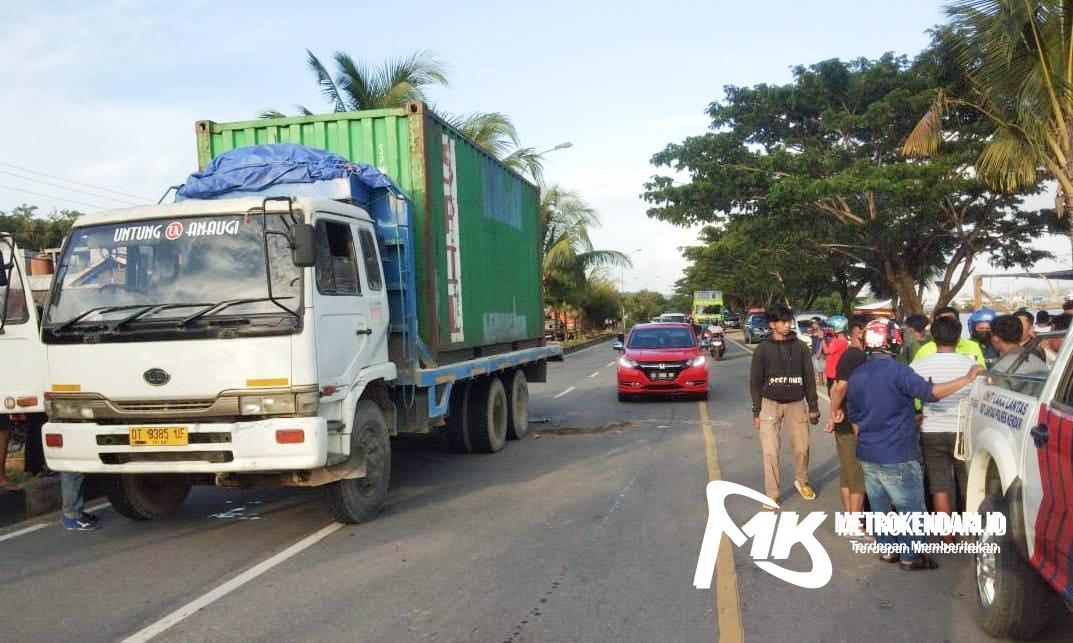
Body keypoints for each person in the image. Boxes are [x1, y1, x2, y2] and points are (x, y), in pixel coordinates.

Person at [847, 319, 983, 570]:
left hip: (868, 452)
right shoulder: (899, 371)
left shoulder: (857, 375)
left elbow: (854, 418)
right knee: (910, 507)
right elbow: (931, 393)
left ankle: (888, 550)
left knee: (879, 506)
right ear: (894, 341)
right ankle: (911, 556)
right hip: (897, 452)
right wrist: (966, 378)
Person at [910, 317, 974, 541]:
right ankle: (970, 530)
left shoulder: (918, 365)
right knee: (969, 481)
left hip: (931, 430)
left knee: (939, 484)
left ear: (933, 338)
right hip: (963, 431)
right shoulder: (971, 364)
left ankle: (946, 534)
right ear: (958, 337)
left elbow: (910, 395)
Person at [750, 304, 821, 505]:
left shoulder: (800, 348)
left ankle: (802, 481)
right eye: (782, 321)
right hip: (769, 405)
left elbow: (809, 377)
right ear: (772, 324)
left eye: (788, 320)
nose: (787, 324)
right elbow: (755, 382)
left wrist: (813, 406)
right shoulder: (762, 350)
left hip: (796, 404)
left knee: (802, 448)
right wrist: (757, 410)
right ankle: (772, 492)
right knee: (770, 451)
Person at [825, 315, 869, 529]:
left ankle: (851, 519)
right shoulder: (854, 356)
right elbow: (838, 388)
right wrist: (834, 413)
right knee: (856, 475)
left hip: (847, 419)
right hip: (851, 423)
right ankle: (855, 524)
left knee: (848, 473)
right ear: (857, 331)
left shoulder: (857, 354)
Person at [912, 307, 986, 367]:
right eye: (942, 321)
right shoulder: (924, 350)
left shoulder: (973, 346)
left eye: (950, 320)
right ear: (934, 326)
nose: (947, 324)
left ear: (959, 324)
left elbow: (981, 373)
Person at [823, 316, 849, 388]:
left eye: (832, 327)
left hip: (834, 373)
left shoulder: (841, 341)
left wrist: (821, 339)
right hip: (830, 372)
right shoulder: (836, 339)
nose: (830, 328)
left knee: (833, 396)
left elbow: (826, 351)